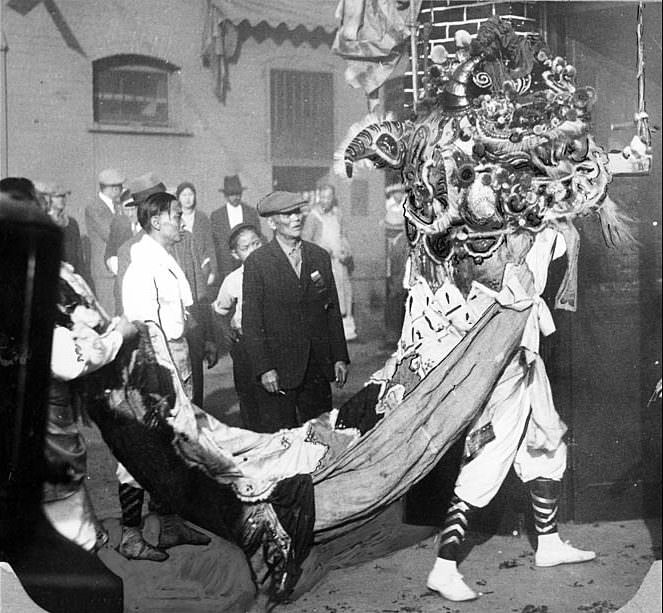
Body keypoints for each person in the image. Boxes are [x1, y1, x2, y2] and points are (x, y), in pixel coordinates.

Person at [425, 229, 596, 602]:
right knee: (486, 460)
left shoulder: (544, 230)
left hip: (527, 356)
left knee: (546, 445)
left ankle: (548, 543)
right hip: (499, 361)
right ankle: (444, 567)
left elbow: (564, 234)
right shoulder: (485, 237)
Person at [118, 191, 210, 560]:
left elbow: (178, 315)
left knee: (174, 445)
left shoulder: (164, 258)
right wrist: (161, 380)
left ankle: (170, 525)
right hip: (155, 366)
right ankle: (130, 534)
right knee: (141, 449)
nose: (182, 222)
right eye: (176, 215)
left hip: (178, 359)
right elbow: (144, 327)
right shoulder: (142, 264)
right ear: (156, 221)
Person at [242, 191, 350, 433]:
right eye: (287, 214)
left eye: (297, 212)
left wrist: (339, 356)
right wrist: (264, 368)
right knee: (282, 439)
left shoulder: (318, 257)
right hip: (278, 371)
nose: (295, 219)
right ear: (271, 223)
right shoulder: (258, 263)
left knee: (321, 437)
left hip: (316, 368)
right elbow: (252, 321)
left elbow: (330, 309)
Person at [212, 223, 262, 429]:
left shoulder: (278, 272)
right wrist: (227, 333)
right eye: (245, 248)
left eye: (256, 243)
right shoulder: (232, 281)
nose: (253, 251)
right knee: (249, 397)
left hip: (274, 342)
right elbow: (219, 311)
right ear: (234, 254)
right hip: (245, 345)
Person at [302, 183, 357, 341]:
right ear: (319, 197)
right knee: (323, 294)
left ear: (333, 198)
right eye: (323, 197)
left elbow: (343, 235)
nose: (325, 200)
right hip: (322, 264)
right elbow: (306, 241)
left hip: (339, 263)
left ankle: (344, 330)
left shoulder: (337, 214)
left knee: (343, 294)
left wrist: (346, 250)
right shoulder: (313, 216)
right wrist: (323, 248)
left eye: (329, 197)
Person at [85, 168, 125, 316]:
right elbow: (110, 235)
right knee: (111, 314)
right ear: (114, 188)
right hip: (105, 273)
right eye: (119, 187)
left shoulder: (117, 206)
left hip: (115, 269)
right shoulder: (95, 207)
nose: (121, 190)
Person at [210, 174, 260, 283]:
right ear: (225, 196)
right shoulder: (217, 216)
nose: (236, 197)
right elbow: (216, 243)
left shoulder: (251, 212)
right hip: (226, 266)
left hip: (249, 262)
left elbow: (258, 236)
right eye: (232, 194)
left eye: (238, 194)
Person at [47, 183, 89, 283]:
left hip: (73, 275)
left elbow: (78, 253)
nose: (61, 199)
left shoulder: (72, 223)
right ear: (49, 199)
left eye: (63, 196)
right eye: (57, 196)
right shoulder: (44, 222)